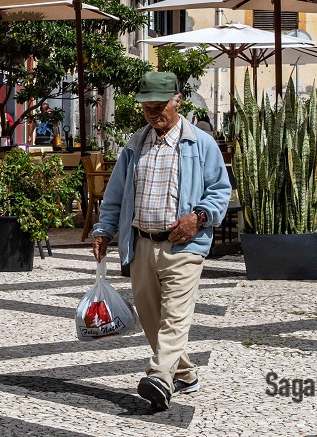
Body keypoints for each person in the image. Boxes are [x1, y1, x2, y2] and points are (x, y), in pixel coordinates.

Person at [91, 71, 231, 413]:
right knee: (153, 321)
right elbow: (116, 195)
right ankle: (185, 373)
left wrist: (198, 218)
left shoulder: (201, 143)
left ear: (177, 100)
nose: (154, 114)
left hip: (184, 247)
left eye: (159, 106)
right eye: (147, 108)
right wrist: (103, 230)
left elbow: (220, 191)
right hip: (141, 245)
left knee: (174, 318)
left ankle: (158, 377)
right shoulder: (135, 145)